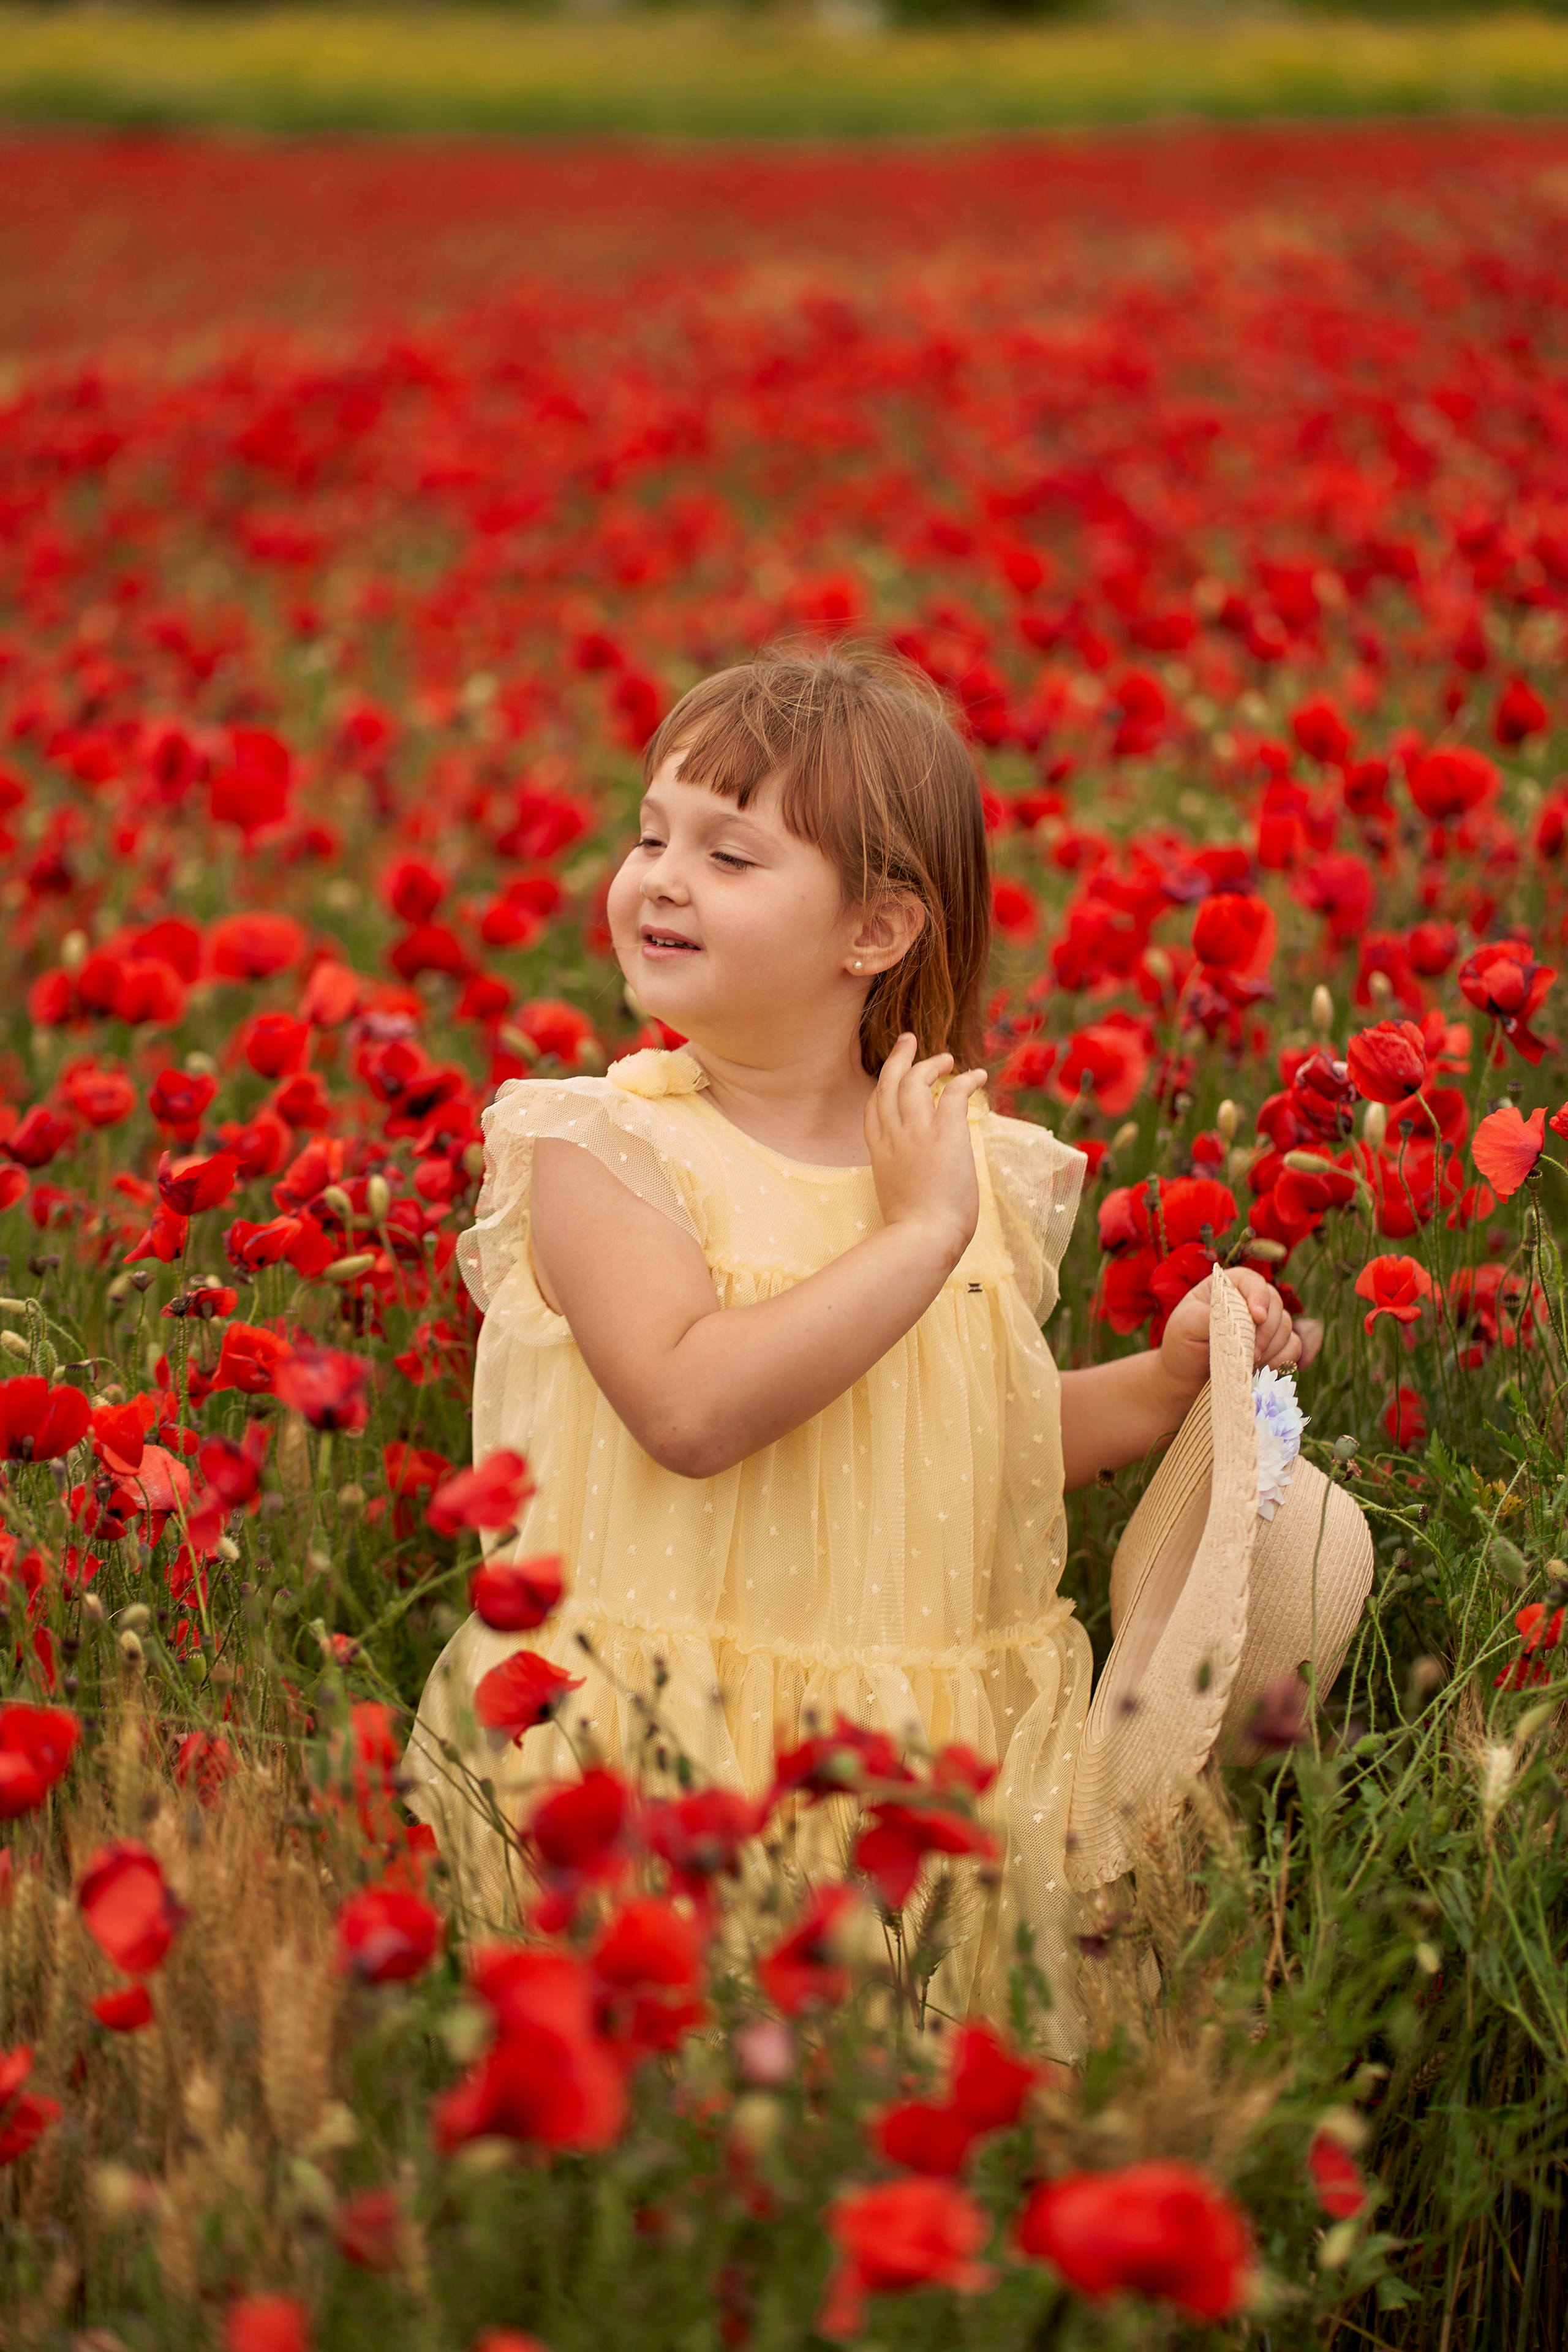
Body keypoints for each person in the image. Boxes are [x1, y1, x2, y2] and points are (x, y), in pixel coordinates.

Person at [404, 647, 1313, 2035]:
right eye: (651, 836)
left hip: (921, 1763)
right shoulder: (604, 1146)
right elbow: (688, 1408)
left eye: (728, 854)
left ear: (875, 931)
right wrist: (916, 1235)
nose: (660, 878)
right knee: (687, 2101)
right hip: (674, 1750)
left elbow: (976, 1443)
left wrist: (1168, 1375)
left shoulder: (958, 1164)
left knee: (908, 2110)